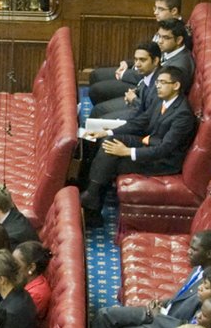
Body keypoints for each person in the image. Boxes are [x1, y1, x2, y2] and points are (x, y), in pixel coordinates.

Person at [84, 66, 198, 218]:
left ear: (176, 86)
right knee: (109, 142)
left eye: (163, 82)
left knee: (115, 162)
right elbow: (140, 122)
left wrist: (127, 151)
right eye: (157, 82)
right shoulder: (161, 100)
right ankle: (92, 199)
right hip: (149, 143)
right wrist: (107, 132)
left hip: (163, 161)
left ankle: (92, 205)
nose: (157, 85)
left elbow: (165, 149)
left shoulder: (183, 114)